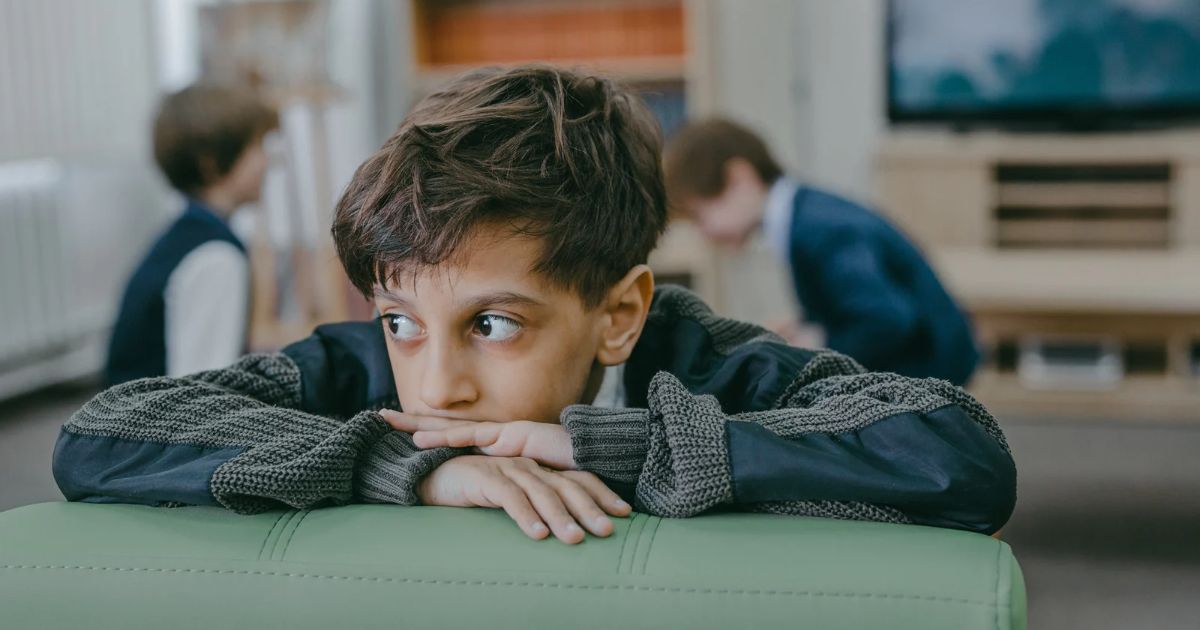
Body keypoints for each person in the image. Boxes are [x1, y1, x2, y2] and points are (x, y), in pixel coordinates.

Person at [55, 66, 1014, 545]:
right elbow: (101, 433)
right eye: (403, 322)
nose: (438, 383)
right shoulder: (361, 372)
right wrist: (406, 466)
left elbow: (960, 452)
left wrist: (623, 445)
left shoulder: (704, 358)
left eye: (494, 324)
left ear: (618, 315)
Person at [664, 119, 979, 385]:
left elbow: (888, 320)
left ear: (739, 178)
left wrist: (817, 343)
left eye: (700, 216)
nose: (703, 233)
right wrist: (807, 326)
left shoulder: (820, 230)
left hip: (931, 369)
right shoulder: (805, 214)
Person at [103, 84, 277, 386]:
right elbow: (202, 391)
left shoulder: (186, 235)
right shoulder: (215, 256)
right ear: (210, 164)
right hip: (147, 427)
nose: (267, 161)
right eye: (256, 147)